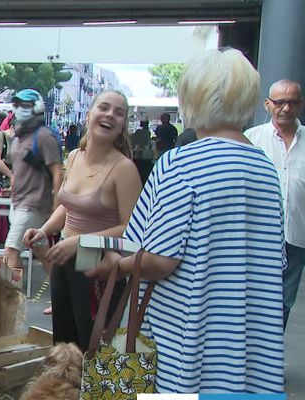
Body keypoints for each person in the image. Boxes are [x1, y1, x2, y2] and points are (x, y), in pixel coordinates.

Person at [88, 48, 285, 393]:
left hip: (186, 350)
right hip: (249, 355)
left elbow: (158, 261)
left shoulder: (181, 163)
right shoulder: (265, 168)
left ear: (194, 98)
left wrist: (113, 264)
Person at [23, 90, 142, 351]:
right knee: (64, 345)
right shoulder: (75, 156)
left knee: (92, 347)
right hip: (64, 258)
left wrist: (81, 242)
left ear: (123, 124)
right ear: (89, 115)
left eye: (118, 112)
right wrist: (43, 231)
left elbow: (132, 229)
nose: (110, 114)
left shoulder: (124, 169)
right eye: (104, 107)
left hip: (98, 268)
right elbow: (68, 207)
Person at [245, 79, 305, 330]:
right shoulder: (252, 139)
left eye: (292, 102)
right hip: (258, 238)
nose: (286, 108)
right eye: (279, 102)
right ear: (268, 104)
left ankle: (269, 361)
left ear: (300, 105)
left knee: (284, 303)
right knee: (253, 301)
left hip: (296, 238)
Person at [3, 89, 63, 271]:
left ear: (37, 108)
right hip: (19, 202)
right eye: (18, 105)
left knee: (11, 251)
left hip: (33, 204)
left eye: (26, 105)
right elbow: (17, 168)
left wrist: (55, 205)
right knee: (42, 250)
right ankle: (61, 286)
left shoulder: (44, 136)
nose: (21, 109)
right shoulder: (18, 136)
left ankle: (6, 296)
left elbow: (58, 172)